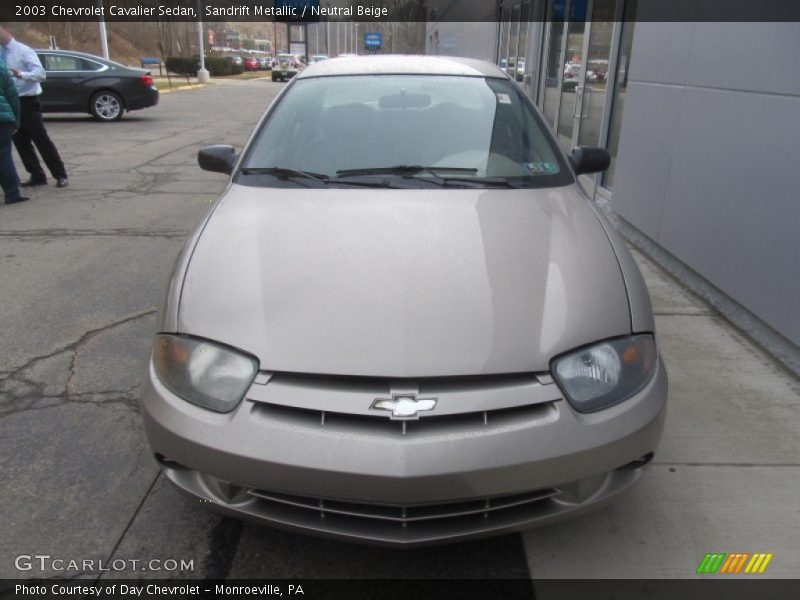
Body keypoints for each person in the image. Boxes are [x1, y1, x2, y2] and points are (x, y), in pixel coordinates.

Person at [0, 24, 68, 188]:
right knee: (21, 143)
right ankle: (36, 175)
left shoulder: (23, 51)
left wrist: (20, 74)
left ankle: (60, 174)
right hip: (11, 102)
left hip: (28, 101)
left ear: (7, 29)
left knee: (41, 139)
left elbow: (40, 74)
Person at [0, 53, 27, 204]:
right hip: (3, 118)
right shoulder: (1, 67)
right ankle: (12, 192)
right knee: (3, 155)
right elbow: (12, 95)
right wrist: (16, 120)